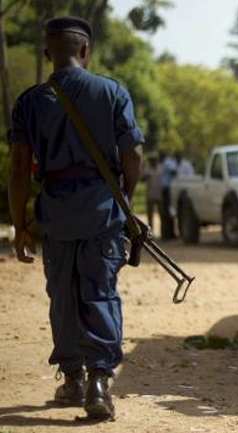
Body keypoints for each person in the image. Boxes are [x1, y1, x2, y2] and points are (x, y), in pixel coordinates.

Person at [6, 17, 144, 421]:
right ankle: (100, 381)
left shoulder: (29, 102)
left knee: (63, 297)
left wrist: (20, 225)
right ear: (85, 51)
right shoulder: (112, 91)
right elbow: (133, 153)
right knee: (99, 292)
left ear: (47, 53)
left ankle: (72, 379)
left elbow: (17, 167)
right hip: (102, 211)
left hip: (57, 214)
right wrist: (126, 200)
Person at [159, 150, 177, 239]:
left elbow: (174, 171)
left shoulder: (167, 162)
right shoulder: (165, 163)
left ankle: (168, 234)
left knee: (167, 212)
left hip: (167, 189)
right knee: (166, 212)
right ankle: (167, 233)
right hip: (165, 190)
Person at [143, 155, 162, 233]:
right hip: (150, 194)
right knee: (150, 214)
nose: (153, 162)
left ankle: (162, 231)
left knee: (161, 214)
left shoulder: (160, 168)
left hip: (159, 195)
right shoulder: (147, 169)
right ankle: (151, 231)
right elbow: (142, 179)